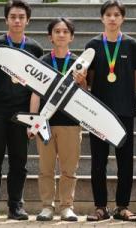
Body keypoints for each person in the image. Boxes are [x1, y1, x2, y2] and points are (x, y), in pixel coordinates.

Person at [0, 0, 44, 221]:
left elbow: (37, 84)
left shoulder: (35, 49)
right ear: (6, 19)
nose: (17, 21)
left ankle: (16, 206)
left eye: (21, 17)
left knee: (19, 160)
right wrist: (0, 92)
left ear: (28, 21)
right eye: (13, 17)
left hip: (22, 112)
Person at [84, 0, 136, 222]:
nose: (112, 18)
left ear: (122, 18)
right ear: (102, 18)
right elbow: (88, 80)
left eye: (116, 14)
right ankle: (100, 207)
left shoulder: (133, 45)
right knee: (98, 162)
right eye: (108, 14)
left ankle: (122, 207)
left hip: (125, 110)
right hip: (98, 112)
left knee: (125, 161)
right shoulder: (92, 45)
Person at [31, 17, 87, 222]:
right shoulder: (43, 62)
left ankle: (66, 207)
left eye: (65, 31)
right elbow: (35, 93)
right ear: (50, 37)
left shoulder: (79, 63)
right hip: (45, 123)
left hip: (71, 123)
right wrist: (33, 121)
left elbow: (85, 95)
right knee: (45, 168)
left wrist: (83, 82)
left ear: (71, 37)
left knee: (69, 169)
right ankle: (47, 207)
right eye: (57, 31)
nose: (61, 35)